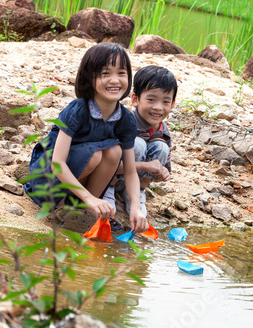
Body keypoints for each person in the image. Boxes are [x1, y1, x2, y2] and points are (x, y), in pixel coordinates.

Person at [24, 42, 148, 234]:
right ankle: (61, 205)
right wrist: (90, 197)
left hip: (82, 187)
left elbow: (130, 172)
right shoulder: (77, 110)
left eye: (121, 73)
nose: (115, 80)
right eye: (105, 73)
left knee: (114, 151)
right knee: (95, 154)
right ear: (89, 78)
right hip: (49, 180)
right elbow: (57, 162)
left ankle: (83, 210)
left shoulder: (126, 119)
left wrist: (136, 209)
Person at [103, 65, 177, 217]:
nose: (158, 107)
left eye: (165, 102)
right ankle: (109, 189)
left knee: (161, 147)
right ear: (135, 100)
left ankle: (137, 194)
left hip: (136, 179)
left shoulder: (163, 132)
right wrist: (146, 165)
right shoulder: (124, 123)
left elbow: (161, 170)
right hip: (111, 175)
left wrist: (162, 173)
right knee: (137, 144)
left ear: (172, 104)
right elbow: (106, 162)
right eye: (151, 99)